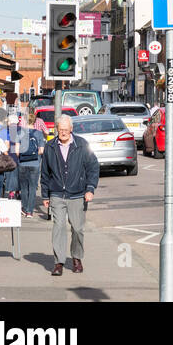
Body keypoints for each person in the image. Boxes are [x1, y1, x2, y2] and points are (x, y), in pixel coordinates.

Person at [40, 114, 99, 276]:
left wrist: (90, 188)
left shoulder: (81, 144)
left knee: (78, 229)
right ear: (57, 130)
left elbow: (93, 167)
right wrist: (45, 195)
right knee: (58, 227)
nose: (63, 133)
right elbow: (45, 173)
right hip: (57, 194)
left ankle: (76, 258)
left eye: (66, 130)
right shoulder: (50, 147)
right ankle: (58, 262)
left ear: (71, 129)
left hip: (77, 194)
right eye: (61, 130)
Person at [10, 113, 43, 217]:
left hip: (23, 163)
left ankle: (24, 208)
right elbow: (41, 150)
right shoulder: (39, 133)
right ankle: (30, 211)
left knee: (24, 187)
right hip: (35, 163)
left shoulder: (20, 133)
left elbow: (16, 151)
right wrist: (33, 155)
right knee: (33, 187)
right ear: (34, 122)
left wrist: (24, 155)